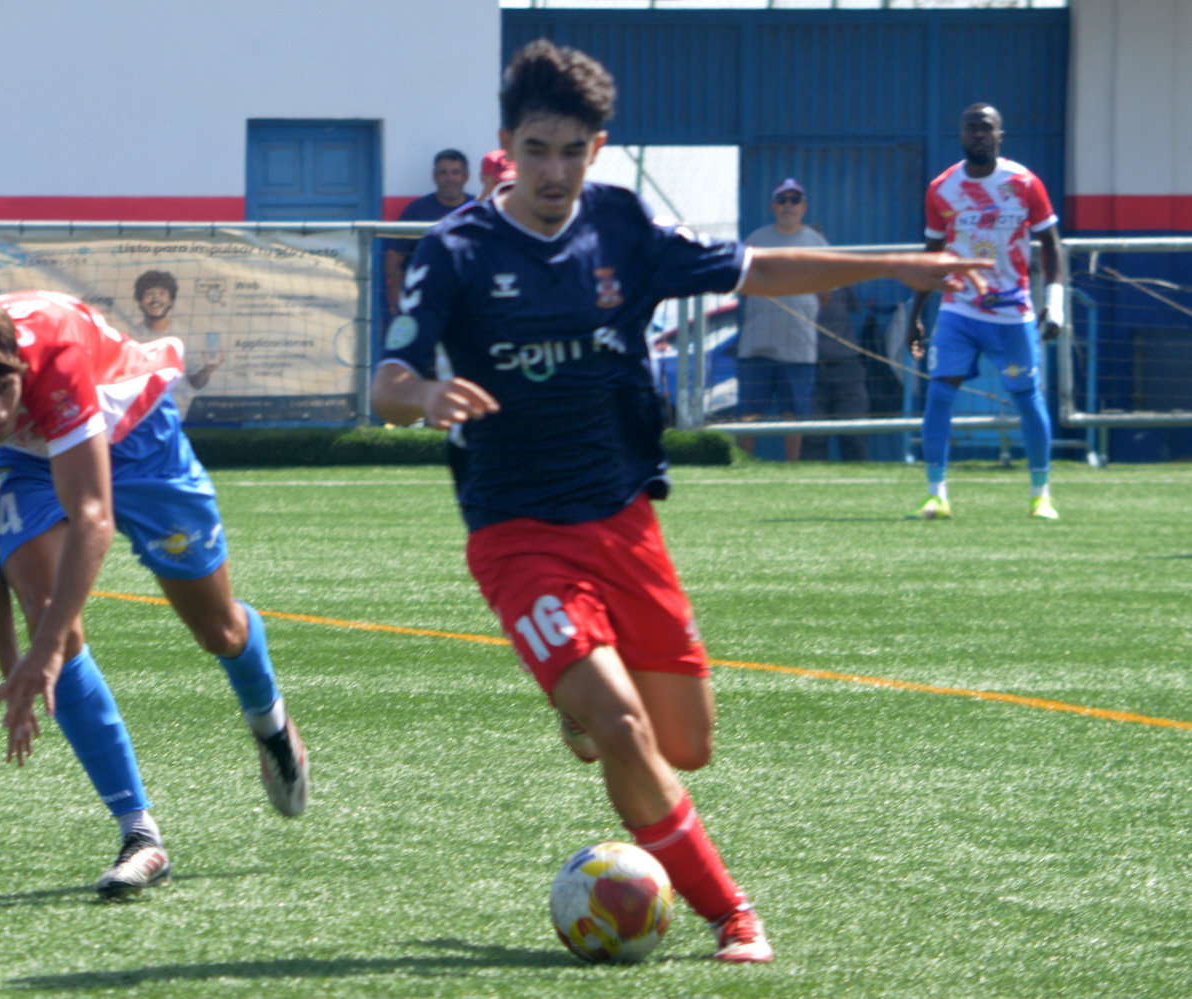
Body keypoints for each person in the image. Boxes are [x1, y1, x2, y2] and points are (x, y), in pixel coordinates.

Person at [370, 38, 986, 964]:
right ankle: (730, 910)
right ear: (508, 144)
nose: (554, 170)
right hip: (516, 532)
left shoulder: (620, 226)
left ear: (597, 148)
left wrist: (895, 264)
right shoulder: (454, 249)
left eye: (572, 151)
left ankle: (581, 706)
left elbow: (757, 270)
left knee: (684, 744)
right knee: (625, 730)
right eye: (536, 149)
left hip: (623, 517)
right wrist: (422, 397)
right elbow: (386, 380)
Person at [0, 283, 310, 900]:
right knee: (45, 615)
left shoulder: (54, 356)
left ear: (19, 366)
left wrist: (45, 655)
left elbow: (93, 516)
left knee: (218, 630)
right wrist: (15, 660)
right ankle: (140, 834)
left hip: (138, 434)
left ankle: (269, 721)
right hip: (28, 464)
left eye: (4, 389)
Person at [906, 103, 1064, 520]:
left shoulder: (1024, 182)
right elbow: (932, 254)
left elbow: (1051, 244)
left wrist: (1057, 303)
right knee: (940, 393)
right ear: (960, 135)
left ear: (1000, 135)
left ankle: (1040, 494)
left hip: (1014, 312)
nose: (978, 134)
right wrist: (915, 313)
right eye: (971, 128)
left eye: (986, 128)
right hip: (960, 308)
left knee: (1027, 400)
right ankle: (936, 495)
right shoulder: (942, 188)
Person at [736, 179, 830, 462]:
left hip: (799, 346)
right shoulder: (755, 240)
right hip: (756, 345)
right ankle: (741, 464)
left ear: (804, 206)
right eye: (782, 200)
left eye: (794, 199)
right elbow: (742, 287)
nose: (788, 205)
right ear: (773, 206)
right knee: (750, 412)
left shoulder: (817, 243)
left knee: (795, 413)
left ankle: (792, 466)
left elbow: (825, 294)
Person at [384, 150, 472, 314]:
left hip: (469, 302)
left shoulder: (479, 209)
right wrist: (399, 298)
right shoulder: (417, 210)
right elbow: (393, 258)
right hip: (425, 303)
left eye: (455, 172)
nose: (449, 178)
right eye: (443, 173)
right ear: (435, 177)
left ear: (465, 177)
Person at [799, 283, 871, 461]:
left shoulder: (842, 282)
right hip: (810, 369)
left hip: (847, 367)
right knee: (812, 438)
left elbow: (855, 310)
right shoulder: (795, 285)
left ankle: (858, 481)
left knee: (854, 433)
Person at [132, 270, 222, 391]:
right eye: (149, 294)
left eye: (162, 294)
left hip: (176, 409)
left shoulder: (186, 336)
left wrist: (207, 370)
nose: (155, 299)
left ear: (171, 301)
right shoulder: (130, 339)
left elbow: (196, 383)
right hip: (143, 409)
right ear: (140, 302)